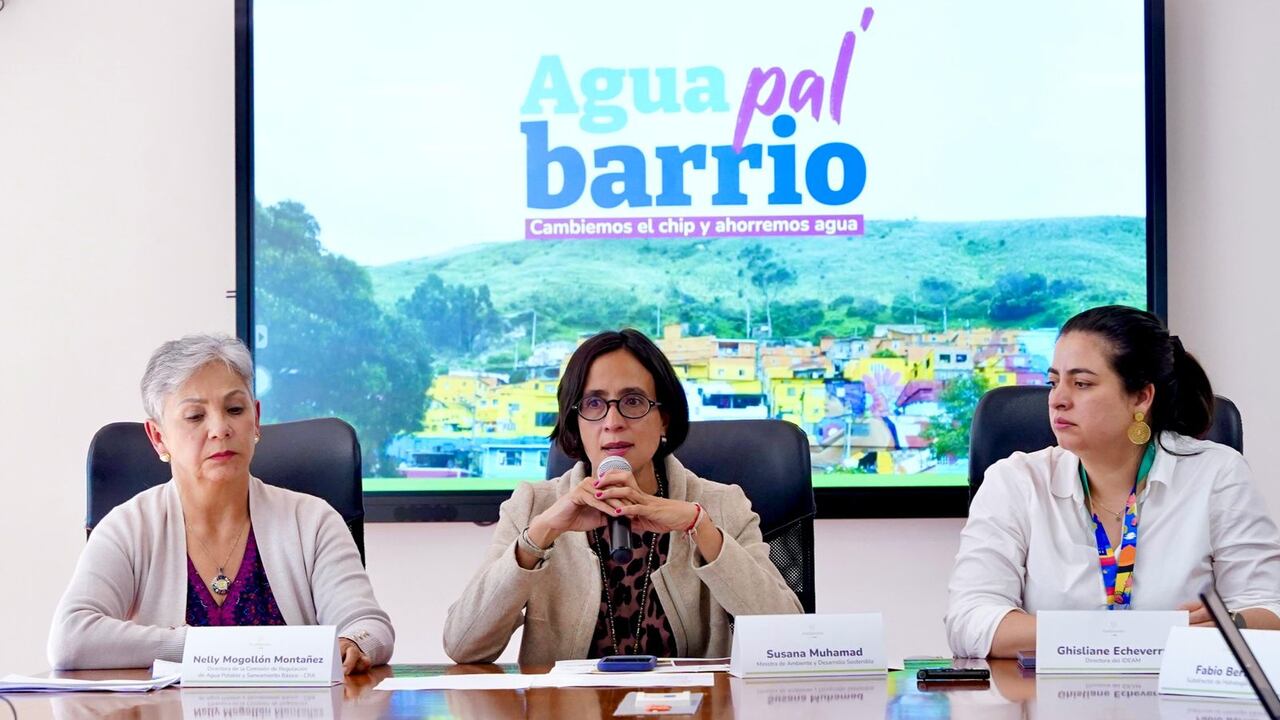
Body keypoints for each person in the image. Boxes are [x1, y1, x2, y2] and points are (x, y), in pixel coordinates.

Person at [443, 329, 802, 664]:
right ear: (575, 422)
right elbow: (463, 645)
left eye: (632, 401)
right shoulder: (533, 507)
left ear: (664, 418)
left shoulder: (721, 507)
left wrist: (700, 527)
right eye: (594, 404)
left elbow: (790, 640)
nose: (612, 421)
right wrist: (541, 535)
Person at [946, 306, 1280, 658]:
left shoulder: (1216, 473)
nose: (1057, 399)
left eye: (1082, 384)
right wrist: (1130, 635)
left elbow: (1270, 609)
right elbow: (969, 621)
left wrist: (1233, 625)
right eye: (1054, 381)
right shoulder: (1015, 481)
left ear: (1141, 397)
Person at [48, 334, 393, 671]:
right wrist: (210, 648)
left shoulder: (313, 521)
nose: (220, 428)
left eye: (234, 409)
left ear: (255, 419)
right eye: (195, 416)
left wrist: (355, 642)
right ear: (158, 437)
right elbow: (70, 639)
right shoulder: (130, 526)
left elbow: (368, 626)